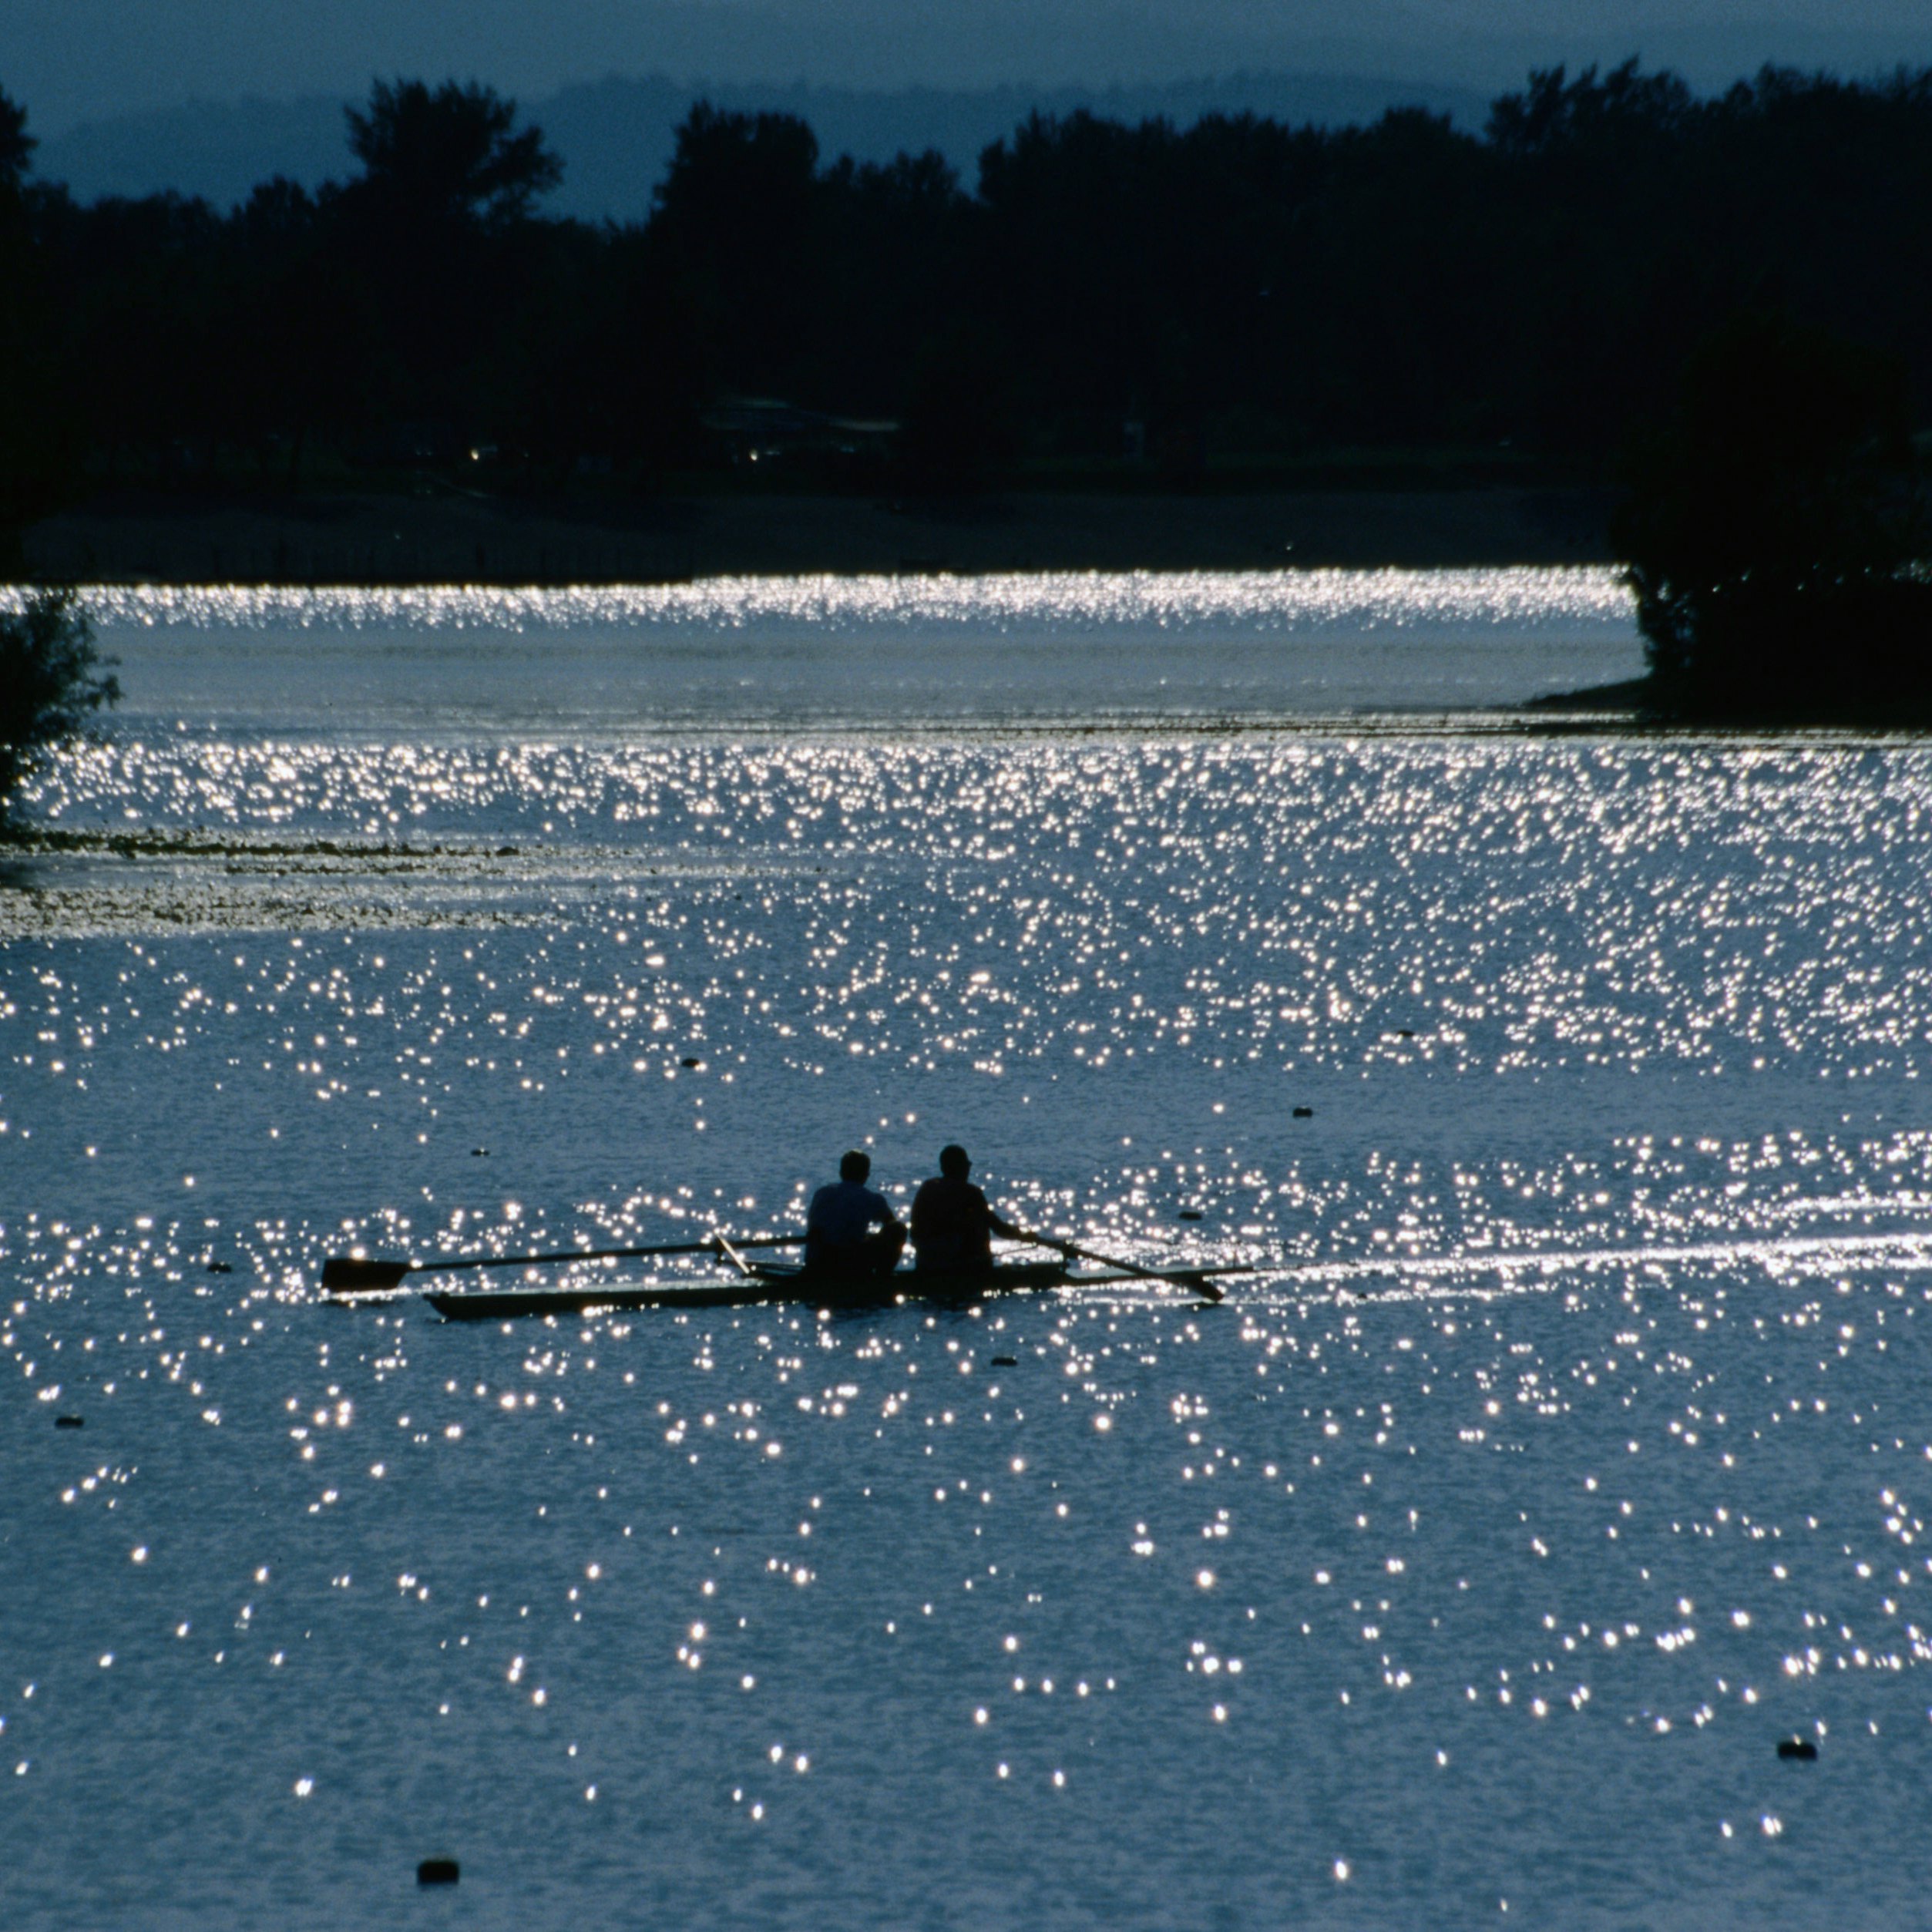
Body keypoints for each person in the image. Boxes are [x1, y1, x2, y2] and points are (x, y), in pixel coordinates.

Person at [910, 1144, 1023, 1274]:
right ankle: (983, 1271)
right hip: (958, 1264)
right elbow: (998, 1228)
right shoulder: (971, 1193)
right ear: (962, 1168)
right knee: (979, 1221)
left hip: (926, 1262)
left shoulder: (927, 1188)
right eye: (966, 1166)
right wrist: (1021, 1235)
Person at [805, 1150, 907, 1277]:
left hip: (817, 1261)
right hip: (847, 1264)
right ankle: (883, 1278)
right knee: (899, 1229)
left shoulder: (821, 1193)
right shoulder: (872, 1199)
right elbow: (892, 1225)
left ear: (841, 1173)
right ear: (866, 1175)